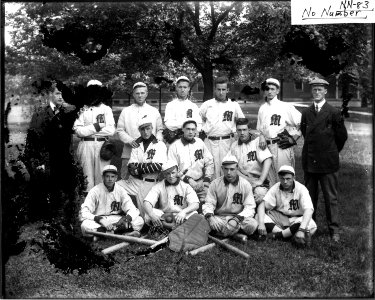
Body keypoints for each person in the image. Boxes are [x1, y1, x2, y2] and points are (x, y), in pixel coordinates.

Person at [301, 78, 348, 242]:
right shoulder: (306, 112)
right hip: (310, 161)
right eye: (314, 89)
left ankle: (334, 230)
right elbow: (305, 133)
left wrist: (331, 152)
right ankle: (310, 226)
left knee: (330, 198)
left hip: (328, 162)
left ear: (325, 91)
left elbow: (342, 137)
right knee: (309, 198)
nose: (316, 92)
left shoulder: (334, 112)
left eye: (320, 89)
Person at [229, 118, 273, 236]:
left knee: (259, 195)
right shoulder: (234, 146)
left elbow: (267, 160)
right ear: (236, 131)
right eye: (239, 130)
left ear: (249, 130)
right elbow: (232, 167)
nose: (242, 133)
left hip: (257, 179)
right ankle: (245, 222)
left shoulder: (257, 141)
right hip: (241, 180)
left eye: (244, 130)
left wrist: (260, 180)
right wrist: (246, 180)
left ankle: (261, 220)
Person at [117, 116, 167, 217]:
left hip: (150, 183)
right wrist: (145, 166)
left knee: (147, 217)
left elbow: (158, 166)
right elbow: (131, 165)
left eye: (148, 128)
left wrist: (138, 168)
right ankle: (122, 213)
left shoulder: (159, 144)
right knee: (115, 186)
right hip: (134, 181)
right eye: (142, 129)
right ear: (139, 130)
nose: (145, 132)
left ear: (152, 128)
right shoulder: (137, 144)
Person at [256, 78, 302, 186]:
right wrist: (261, 136)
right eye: (267, 89)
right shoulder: (262, 108)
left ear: (277, 90)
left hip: (281, 145)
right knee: (271, 181)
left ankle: (288, 201)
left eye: (273, 89)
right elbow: (260, 129)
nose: (270, 91)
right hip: (267, 147)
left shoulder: (285, 106)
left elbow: (301, 122)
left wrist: (294, 138)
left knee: (285, 178)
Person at [73, 79, 116, 192]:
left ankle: (102, 206)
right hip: (86, 145)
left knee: (102, 177)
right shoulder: (82, 109)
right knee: (86, 178)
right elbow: (78, 131)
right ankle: (86, 206)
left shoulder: (106, 109)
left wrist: (88, 129)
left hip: (102, 146)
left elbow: (111, 130)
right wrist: (97, 126)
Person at [80, 165, 144, 239]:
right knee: (85, 226)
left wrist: (125, 219)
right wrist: (100, 219)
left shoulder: (120, 190)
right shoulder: (95, 191)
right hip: (99, 220)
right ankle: (121, 233)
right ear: (103, 177)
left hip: (116, 220)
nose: (110, 179)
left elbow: (133, 209)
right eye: (107, 176)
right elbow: (83, 212)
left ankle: (100, 235)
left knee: (139, 220)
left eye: (112, 176)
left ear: (116, 178)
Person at [202, 154, 259, 238]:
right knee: (204, 219)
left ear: (237, 169)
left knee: (252, 224)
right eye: (226, 169)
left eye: (232, 169)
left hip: (239, 219)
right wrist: (210, 218)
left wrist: (236, 219)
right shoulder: (215, 184)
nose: (229, 173)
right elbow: (209, 203)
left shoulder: (245, 184)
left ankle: (220, 233)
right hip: (220, 218)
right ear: (222, 169)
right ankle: (235, 234)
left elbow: (250, 207)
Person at [199, 76, 245, 179]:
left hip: (227, 141)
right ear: (215, 89)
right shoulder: (207, 104)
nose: (221, 92)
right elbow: (199, 119)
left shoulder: (233, 105)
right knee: (211, 170)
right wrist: (204, 128)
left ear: (227, 90)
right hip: (210, 141)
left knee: (227, 168)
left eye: (223, 89)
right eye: (218, 89)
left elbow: (241, 121)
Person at [117, 82, 163, 180]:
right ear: (133, 94)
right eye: (137, 93)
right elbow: (120, 130)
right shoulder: (126, 111)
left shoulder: (154, 111)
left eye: (142, 93)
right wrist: (130, 140)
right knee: (126, 179)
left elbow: (160, 130)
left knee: (150, 180)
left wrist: (157, 142)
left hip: (150, 151)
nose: (140, 95)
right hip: (129, 151)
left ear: (146, 94)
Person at [262, 166, 317, 244]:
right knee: (260, 216)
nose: (285, 182)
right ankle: (287, 235)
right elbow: (264, 205)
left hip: (296, 220)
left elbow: (309, 209)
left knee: (311, 225)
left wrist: (301, 229)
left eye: (288, 179)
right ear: (279, 177)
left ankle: (277, 235)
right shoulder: (276, 187)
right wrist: (261, 222)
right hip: (280, 219)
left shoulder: (301, 189)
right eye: (282, 178)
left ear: (293, 177)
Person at [167, 119, 214, 206]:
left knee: (207, 207)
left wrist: (206, 180)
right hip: (182, 184)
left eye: (193, 129)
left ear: (196, 130)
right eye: (188, 129)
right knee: (187, 212)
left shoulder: (200, 142)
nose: (190, 132)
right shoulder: (174, 146)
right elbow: (172, 171)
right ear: (183, 129)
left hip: (200, 183)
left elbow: (209, 162)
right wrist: (188, 179)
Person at [143, 160, 200, 229]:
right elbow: (147, 202)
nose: (171, 176)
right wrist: (152, 215)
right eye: (168, 173)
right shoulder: (159, 185)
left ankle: (171, 229)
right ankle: (167, 229)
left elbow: (195, 204)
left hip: (181, 215)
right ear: (164, 174)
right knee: (148, 214)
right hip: (164, 216)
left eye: (173, 173)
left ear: (177, 172)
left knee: (194, 215)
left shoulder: (185, 186)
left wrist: (184, 212)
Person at [163, 76, 202, 145]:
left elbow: (198, 124)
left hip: (190, 140)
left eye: (185, 87)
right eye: (180, 87)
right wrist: (187, 126)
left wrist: (192, 130)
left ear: (188, 89)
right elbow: (169, 124)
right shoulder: (170, 105)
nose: (182, 90)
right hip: (174, 140)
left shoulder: (193, 106)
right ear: (176, 88)